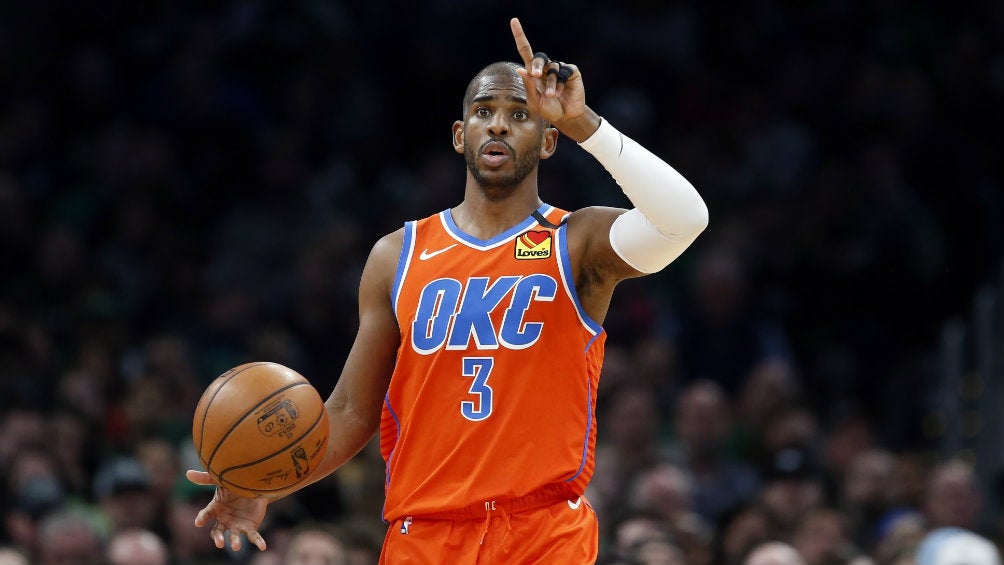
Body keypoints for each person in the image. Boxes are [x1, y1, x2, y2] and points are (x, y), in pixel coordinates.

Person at [186, 17, 708, 564]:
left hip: (541, 531)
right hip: (424, 534)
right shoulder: (397, 255)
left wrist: (586, 124)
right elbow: (350, 412)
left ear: (549, 140)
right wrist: (261, 480)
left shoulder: (577, 241)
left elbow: (685, 219)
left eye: (520, 114)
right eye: (484, 112)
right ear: (461, 135)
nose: (498, 125)